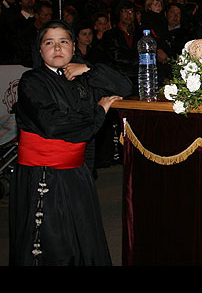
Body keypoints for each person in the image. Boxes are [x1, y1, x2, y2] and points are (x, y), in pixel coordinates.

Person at [9, 19, 132, 265]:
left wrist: (88, 69)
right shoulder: (32, 81)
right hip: (43, 175)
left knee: (83, 237)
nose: (57, 48)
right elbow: (54, 124)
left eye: (63, 42)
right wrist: (98, 112)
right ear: (40, 49)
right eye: (49, 43)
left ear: (73, 46)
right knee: (52, 243)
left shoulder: (83, 76)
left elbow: (124, 87)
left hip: (78, 172)